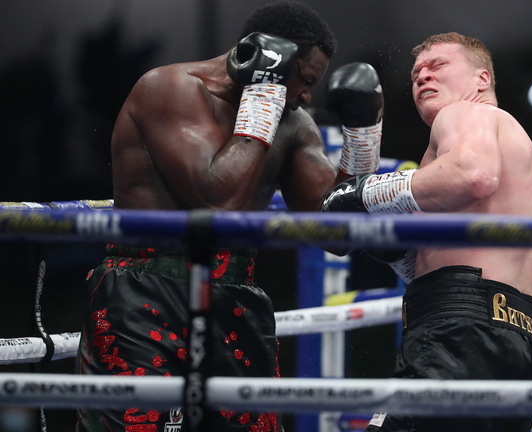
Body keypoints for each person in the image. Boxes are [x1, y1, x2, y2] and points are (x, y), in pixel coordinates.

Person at [75, 2, 385, 432]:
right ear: (269, 55)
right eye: (306, 79)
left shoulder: (294, 124)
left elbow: (338, 234)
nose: (307, 96)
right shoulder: (169, 88)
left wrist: (363, 135)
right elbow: (219, 202)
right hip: (145, 294)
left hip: (234, 295)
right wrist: (264, 94)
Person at [322, 32, 532, 432]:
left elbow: (474, 175)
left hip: (457, 336)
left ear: (481, 80)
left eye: (438, 66)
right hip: (517, 340)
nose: (422, 77)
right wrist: (398, 254)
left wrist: (366, 190)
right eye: (416, 73)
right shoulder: (515, 153)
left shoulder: (466, 114)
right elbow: (460, 262)